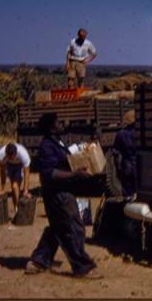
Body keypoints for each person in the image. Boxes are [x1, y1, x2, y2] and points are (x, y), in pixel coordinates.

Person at [25, 113, 98, 277]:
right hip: (58, 193)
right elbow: (49, 174)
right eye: (58, 122)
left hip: (64, 190)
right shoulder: (47, 146)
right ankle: (83, 267)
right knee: (74, 228)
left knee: (57, 228)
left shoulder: (57, 142)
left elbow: (66, 161)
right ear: (51, 127)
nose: (62, 124)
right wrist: (74, 175)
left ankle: (38, 261)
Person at [0, 142, 31, 216]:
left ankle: (18, 209)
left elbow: (26, 174)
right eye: (9, 157)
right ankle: (16, 209)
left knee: (15, 185)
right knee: (14, 188)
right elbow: (3, 173)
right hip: (9, 166)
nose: (11, 158)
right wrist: (2, 189)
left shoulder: (23, 154)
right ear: (6, 153)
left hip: (20, 165)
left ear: (16, 153)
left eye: (12, 157)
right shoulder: (1, 155)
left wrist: (25, 190)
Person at [112, 109, 136, 200]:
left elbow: (116, 154)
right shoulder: (140, 132)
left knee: (127, 194)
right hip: (140, 164)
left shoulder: (120, 134)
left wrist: (118, 168)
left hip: (127, 165)